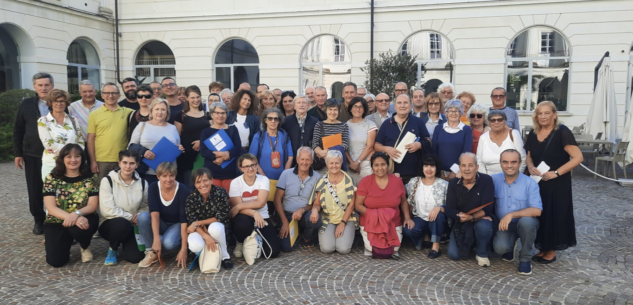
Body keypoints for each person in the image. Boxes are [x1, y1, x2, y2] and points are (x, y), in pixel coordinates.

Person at [525, 101, 583, 264]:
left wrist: (556, 173)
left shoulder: (562, 132)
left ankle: (551, 250)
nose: (543, 116)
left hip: (557, 182)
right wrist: (530, 167)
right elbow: (529, 155)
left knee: (554, 213)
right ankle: (543, 247)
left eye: (546, 113)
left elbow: (578, 157)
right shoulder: (533, 133)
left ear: (554, 115)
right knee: (541, 213)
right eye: (540, 113)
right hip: (538, 181)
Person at [42, 144, 99, 267]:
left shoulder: (91, 178)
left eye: (77, 156)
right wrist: (72, 217)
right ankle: (66, 241)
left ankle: (84, 244)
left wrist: (76, 214)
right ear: (62, 159)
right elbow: (51, 207)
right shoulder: (51, 178)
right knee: (56, 262)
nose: (73, 160)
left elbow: (92, 205)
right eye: (69, 156)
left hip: (84, 217)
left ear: (82, 159)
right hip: (57, 220)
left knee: (80, 228)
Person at [14, 72, 53, 234]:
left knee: (56, 189)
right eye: (40, 85)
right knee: (35, 189)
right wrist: (18, 153)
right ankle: (39, 220)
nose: (43, 88)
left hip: (55, 156)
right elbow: (18, 129)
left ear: (52, 86)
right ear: (34, 87)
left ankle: (56, 219)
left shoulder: (59, 102)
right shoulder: (27, 104)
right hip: (33, 154)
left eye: (46, 85)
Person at [492, 149, 542, 275]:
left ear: (520, 163)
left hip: (524, 223)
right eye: (505, 162)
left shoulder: (530, 183)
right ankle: (510, 245)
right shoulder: (493, 180)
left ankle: (525, 259)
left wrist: (511, 214)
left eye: (514, 162)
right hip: (504, 225)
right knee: (500, 248)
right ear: (500, 163)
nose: (509, 165)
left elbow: (537, 210)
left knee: (527, 222)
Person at [98, 150, 149, 265]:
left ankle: (126, 245)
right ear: (119, 163)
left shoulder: (143, 183)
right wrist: (130, 217)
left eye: (132, 163)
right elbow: (107, 210)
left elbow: (145, 205)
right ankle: (113, 249)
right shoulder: (108, 181)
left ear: (137, 165)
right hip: (110, 224)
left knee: (135, 258)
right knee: (121, 224)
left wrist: (139, 216)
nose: (128, 166)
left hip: (133, 224)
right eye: (125, 162)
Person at [355, 152, 410, 257]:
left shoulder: (397, 181)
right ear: (372, 167)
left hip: (392, 222)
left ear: (388, 166)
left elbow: (403, 201)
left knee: (393, 250)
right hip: (370, 222)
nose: (380, 168)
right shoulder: (365, 181)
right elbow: (358, 205)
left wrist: (407, 218)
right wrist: (376, 216)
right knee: (374, 249)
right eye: (376, 165)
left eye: (383, 164)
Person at [445, 152, 494, 267]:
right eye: (463, 165)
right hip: (461, 221)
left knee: (484, 226)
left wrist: (472, 217)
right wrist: (460, 215)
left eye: (470, 165)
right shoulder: (453, 183)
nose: (467, 169)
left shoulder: (486, 180)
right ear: (459, 167)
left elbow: (488, 207)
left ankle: (482, 253)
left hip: (480, 219)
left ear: (477, 167)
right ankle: (472, 243)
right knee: (454, 255)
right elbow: (449, 209)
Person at [137, 162, 190, 268]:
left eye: (171, 175)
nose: (168, 179)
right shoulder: (153, 187)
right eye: (164, 176)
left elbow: (184, 220)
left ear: (175, 175)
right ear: (158, 176)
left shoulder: (183, 190)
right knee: (143, 217)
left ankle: (173, 245)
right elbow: (154, 213)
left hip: (177, 223)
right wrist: (156, 238)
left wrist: (184, 249)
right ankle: (151, 252)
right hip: (161, 222)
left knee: (169, 243)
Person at [230, 154, 282, 259]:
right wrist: (254, 213)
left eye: (253, 165)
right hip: (244, 217)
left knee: (273, 252)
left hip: (263, 217)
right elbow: (238, 209)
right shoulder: (235, 182)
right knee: (242, 224)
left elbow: (261, 203)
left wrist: (239, 206)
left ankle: (254, 244)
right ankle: (241, 242)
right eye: (247, 166)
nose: (251, 168)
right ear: (241, 168)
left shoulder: (263, 180)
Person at [374, 94, 432, 184]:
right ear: (395, 106)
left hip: (414, 171)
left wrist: (419, 145)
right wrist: (386, 149)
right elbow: (377, 145)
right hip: (392, 172)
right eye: (399, 103)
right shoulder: (387, 123)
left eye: (405, 103)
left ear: (410, 105)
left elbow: (428, 141)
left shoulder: (418, 122)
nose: (402, 105)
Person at [308, 150, 357, 254]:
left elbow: (351, 204)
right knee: (327, 249)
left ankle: (343, 234)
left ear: (341, 163)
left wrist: (342, 223)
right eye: (331, 163)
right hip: (328, 219)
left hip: (346, 219)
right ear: (327, 164)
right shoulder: (321, 181)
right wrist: (315, 210)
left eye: (337, 163)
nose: (334, 165)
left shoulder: (348, 179)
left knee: (343, 249)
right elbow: (317, 203)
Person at [274, 147, 322, 251]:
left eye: (308, 159)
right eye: (302, 159)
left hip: (305, 215)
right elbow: (277, 200)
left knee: (316, 218)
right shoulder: (286, 174)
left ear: (312, 161)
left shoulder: (318, 178)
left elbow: (316, 202)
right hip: (287, 215)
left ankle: (307, 238)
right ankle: (294, 232)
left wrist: (302, 210)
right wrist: (285, 222)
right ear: (297, 159)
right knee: (287, 248)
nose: (304, 162)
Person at [186, 168, 233, 269]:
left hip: (218, 228)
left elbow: (222, 215)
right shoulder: (191, 198)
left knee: (214, 228)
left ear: (211, 180)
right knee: (195, 245)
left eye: (205, 180)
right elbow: (191, 221)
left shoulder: (221, 192)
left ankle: (225, 256)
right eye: (198, 182)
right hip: (199, 230)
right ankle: (205, 256)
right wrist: (206, 236)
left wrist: (199, 222)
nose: (202, 184)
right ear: (194, 184)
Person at [128, 98, 184, 184]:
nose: (160, 112)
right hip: (146, 173)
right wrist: (144, 152)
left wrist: (179, 148)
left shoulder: (172, 128)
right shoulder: (142, 125)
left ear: (167, 112)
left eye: (163, 109)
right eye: (157, 109)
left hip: (168, 175)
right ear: (151, 111)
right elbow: (131, 146)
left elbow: (177, 146)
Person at [88, 82, 134, 181]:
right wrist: (92, 161)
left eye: (114, 93)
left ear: (119, 95)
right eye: (107, 93)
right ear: (102, 95)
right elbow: (91, 139)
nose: (110, 96)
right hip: (102, 160)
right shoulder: (94, 115)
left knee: (122, 189)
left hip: (123, 160)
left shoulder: (128, 112)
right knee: (103, 190)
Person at [403, 156, 448, 258]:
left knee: (438, 215)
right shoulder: (414, 182)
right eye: (426, 165)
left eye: (432, 166)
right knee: (408, 229)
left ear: (437, 168)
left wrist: (440, 208)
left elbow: (451, 206)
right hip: (420, 217)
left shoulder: (444, 185)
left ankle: (435, 247)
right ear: (422, 167)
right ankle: (425, 237)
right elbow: (402, 194)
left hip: (437, 220)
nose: (429, 169)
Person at [37, 89, 85, 180]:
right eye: (56, 101)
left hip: (73, 164)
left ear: (66, 102)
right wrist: (69, 155)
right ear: (50, 103)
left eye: (62, 101)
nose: (59, 104)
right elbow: (48, 144)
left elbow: (80, 140)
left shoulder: (73, 119)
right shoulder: (43, 121)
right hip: (52, 163)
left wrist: (76, 156)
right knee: (52, 192)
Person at [199, 102, 243, 193]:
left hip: (230, 172)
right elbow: (203, 151)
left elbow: (238, 148)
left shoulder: (232, 129)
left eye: (223, 113)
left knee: (230, 200)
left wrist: (223, 158)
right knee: (214, 200)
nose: (220, 115)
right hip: (212, 172)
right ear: (212, 114)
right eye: (217, 113)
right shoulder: (205, 131)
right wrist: (221, 154)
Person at [174, 85, 212, 188]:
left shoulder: (208, 115)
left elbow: (213, 135)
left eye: (198, 97)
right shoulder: (180, 115)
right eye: (192, 97)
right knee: (189, 187)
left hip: (205, 157)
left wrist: (202, 142)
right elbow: (177, 138)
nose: (196, 100)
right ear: (186, 98)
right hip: (187, 159)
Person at [432, 99, 473, 181]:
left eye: (456, 111)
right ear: (446, 113)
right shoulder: (438, 128)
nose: (453, 113)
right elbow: (434, 151)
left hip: (458, 173)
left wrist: (454, 172)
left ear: (460, 112)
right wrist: (439, 170)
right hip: (439, 173)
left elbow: (466, 153)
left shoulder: (466, 130)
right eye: (450, 111)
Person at [477, 110, 526, 175]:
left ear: (505, 121)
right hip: (489, 179)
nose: (496, 122)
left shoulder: (514, 134)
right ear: (489, 123)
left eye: (500, 120)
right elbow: (479, 161)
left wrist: (516, 177)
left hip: (512, 177)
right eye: (493, 120)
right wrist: (486, 179)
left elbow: (523, 158)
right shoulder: (483, 138)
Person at [249, 108, 293, 180]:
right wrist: (263, 177)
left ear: (279, 121)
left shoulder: (285, 136)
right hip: (262, 179)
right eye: (270, 118)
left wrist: (284, 177)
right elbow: (252, 158)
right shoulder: (258, 136)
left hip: (281, 180)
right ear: (265, 120)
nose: (273, 121)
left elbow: (290, 157)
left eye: (276, 119)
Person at [311, 99, 350, 175]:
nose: (333, 112)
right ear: (326, 110)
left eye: (335, 110)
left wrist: (328, 152)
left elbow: (345, 146)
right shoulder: (319, 125)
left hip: (338, 164)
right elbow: (315, 145)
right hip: (323, 165)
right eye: (330, 109)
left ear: (339, 111)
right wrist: (328, 159)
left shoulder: (344, 125)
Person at [345, 97, 377, 185]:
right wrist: (352, 163)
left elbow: (370, 146)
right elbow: (344, 147)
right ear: (350, 108)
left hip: (365, 166)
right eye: (355, 106)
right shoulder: (345, 125)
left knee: (366, 194)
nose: (357, 109)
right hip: (349, 166)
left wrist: (357, 162)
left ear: (364, 109)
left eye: (361, 107)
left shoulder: (370, 124)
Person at [281, 95, 317, 168]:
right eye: (299, 103)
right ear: (294, 106)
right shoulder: (286, 121)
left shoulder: (315, 122)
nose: (301, 105)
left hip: (309, 161)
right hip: (291, 160)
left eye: (304, 103)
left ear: (308, 105)